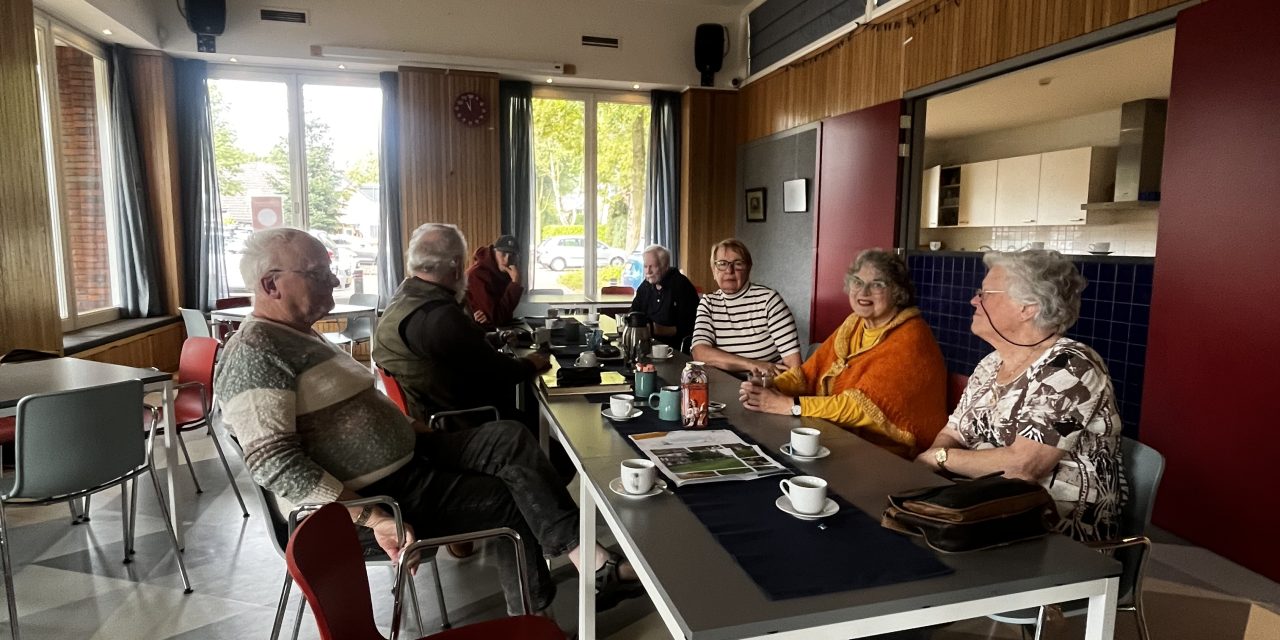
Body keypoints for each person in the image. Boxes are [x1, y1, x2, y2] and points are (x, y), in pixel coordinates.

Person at [215, 227, 638, 616]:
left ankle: (587, 564)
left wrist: (408, 428)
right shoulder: (256, 351)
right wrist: (373, 517)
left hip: (414, 454)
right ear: (271, 284)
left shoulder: (301, 334)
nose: (335, 281)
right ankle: (541, 611)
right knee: (514, 496)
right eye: (319, 272)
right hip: (370, 501)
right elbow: (274, 464)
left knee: (508, 437)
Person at [915, 250, 1125, 542]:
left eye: (985, 293)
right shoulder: (991, 363)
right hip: (985, 506)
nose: (974, 300)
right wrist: (937, 462)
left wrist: (939, 458)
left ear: (1028, 307)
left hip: (1057, 529)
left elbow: (1022, 467)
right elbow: (955, 431)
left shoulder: (1071, 367)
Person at [373, 223, 577, 481]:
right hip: (460, 424)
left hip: (428, 414)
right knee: (561, 458)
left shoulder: (405, 297)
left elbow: (459, 347)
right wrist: (532, 363)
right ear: (457, 264)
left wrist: (493, 337)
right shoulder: (438, 317)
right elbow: (500, 372)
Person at [738, 250, 947, 459]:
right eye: (857, 282)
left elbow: (861, 407)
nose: (863, 292)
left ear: (898, 292)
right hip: (840, 436)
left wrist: (789, 406)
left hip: (890, 454)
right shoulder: (855, 323)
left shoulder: (911, 336)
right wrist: (769, 387)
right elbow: (808, 374)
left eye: (877, 284)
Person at [690, 238, 802, 374]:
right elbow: (700, 353)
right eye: (722, 264)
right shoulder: (708, 303)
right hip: (724, 384)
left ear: (748, 269)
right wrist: (753, 365)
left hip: (765, 386)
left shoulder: (769, 300)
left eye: (738, 264)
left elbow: (794, 365)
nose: (729, 270)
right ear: (714, 271)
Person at [630, 244, 699, 350]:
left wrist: (656, 329)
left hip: (675, 349)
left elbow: (690, 327)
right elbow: (634, 312)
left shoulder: (681, 286)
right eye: (645, 266)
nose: (648, 271)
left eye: (652, 266)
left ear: (665, 266)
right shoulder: (646, 286)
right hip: (647, 345)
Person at [465, 234, 524, 329]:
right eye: (503, 254)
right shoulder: (476, 275)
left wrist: (491, 316)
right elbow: (496, 318)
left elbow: (498, 316)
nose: (507, 260)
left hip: (498, 331)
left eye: (512, 255)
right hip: (479, 334)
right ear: (493, 252)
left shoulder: (504, 272)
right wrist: (515, 284)